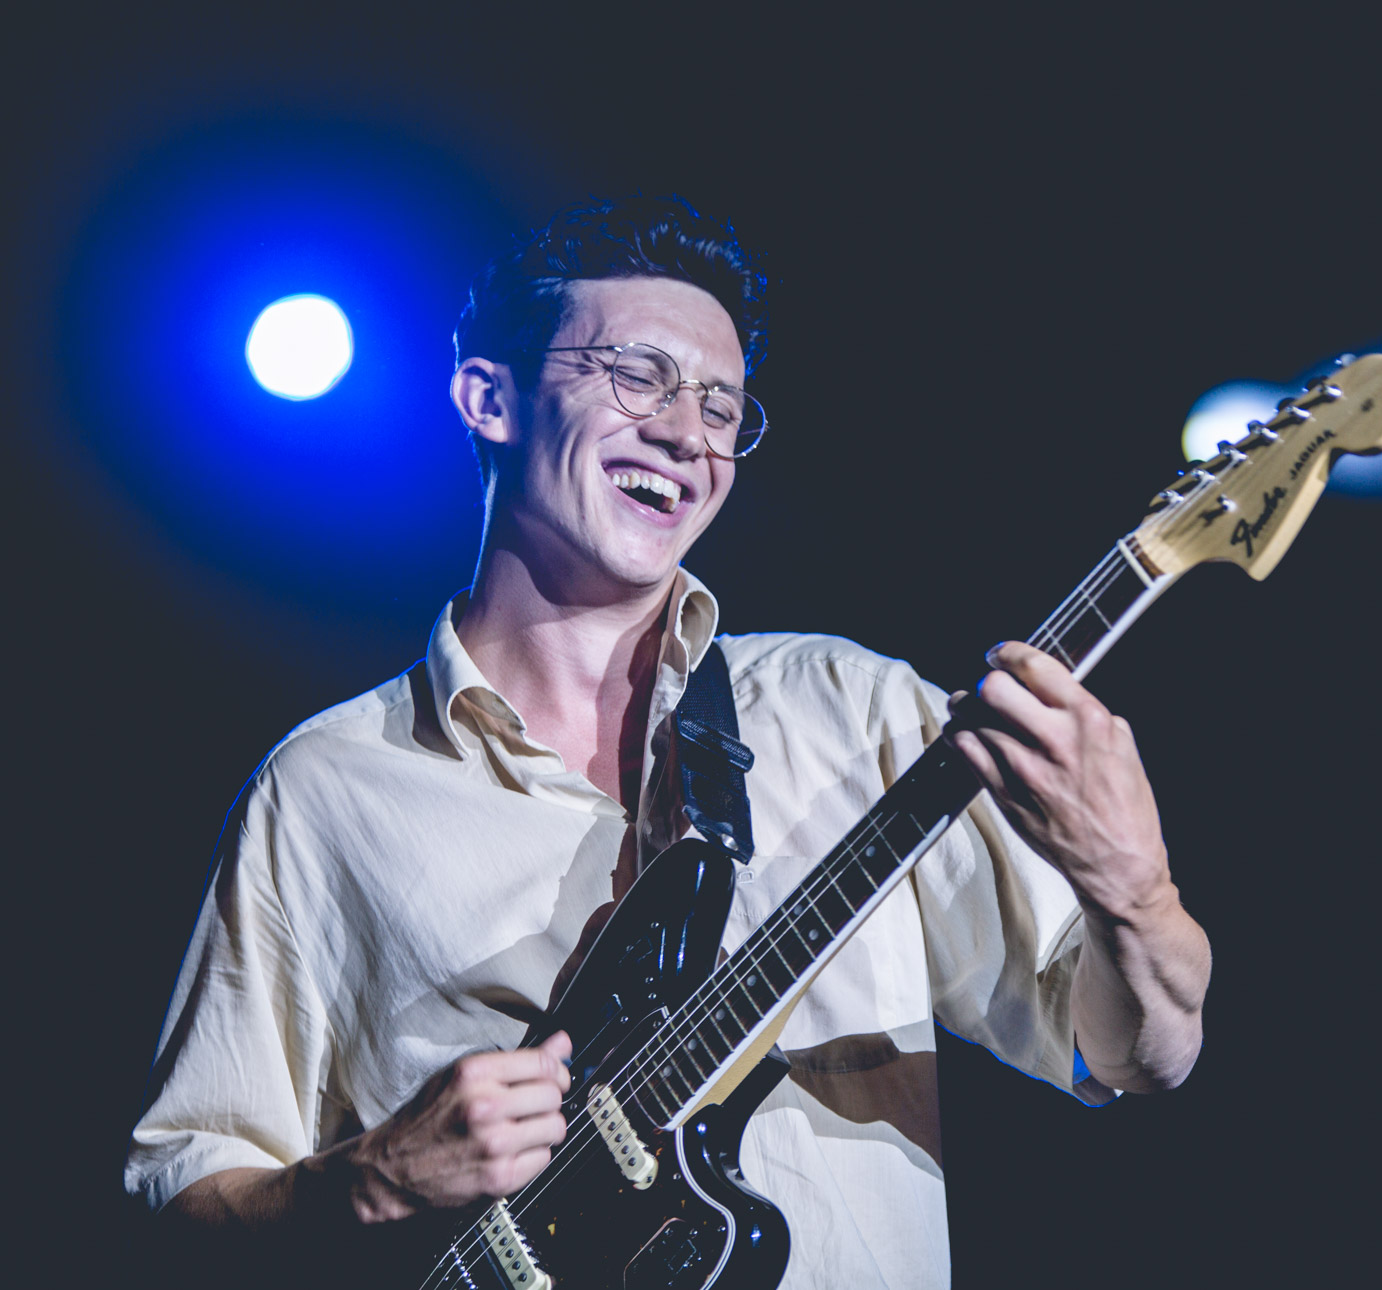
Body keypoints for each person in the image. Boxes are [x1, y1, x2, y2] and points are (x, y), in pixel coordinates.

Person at [125, 197, 1211, 1288]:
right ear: (490, 398)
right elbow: (173, 1207)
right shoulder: (328, 789)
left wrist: (1136, 891)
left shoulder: (857, 710)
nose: (688, 434)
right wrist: (373, 1177)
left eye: (723, 407)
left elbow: (1132, 1052)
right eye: (637, 375)